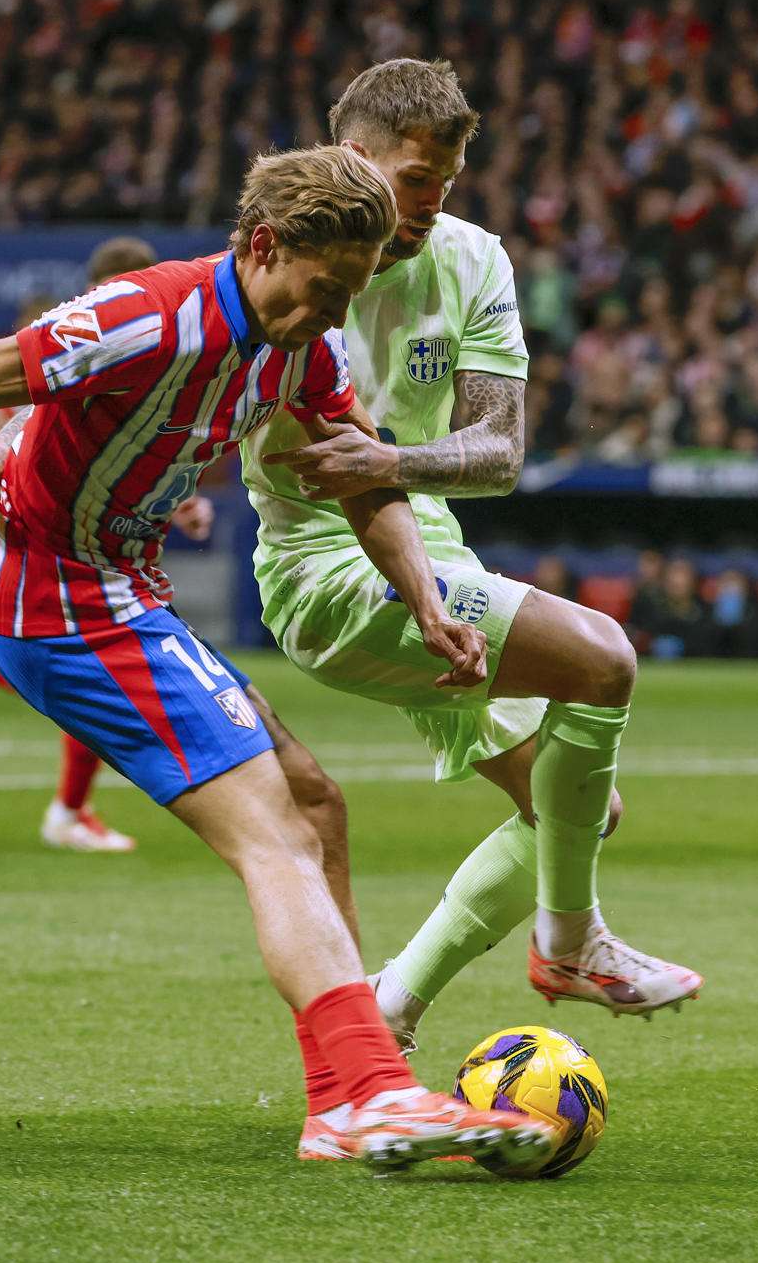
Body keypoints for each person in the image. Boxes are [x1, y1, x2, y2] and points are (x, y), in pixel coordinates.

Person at [0, 144, 553, 1174]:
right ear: (263, 246)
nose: (329, 314)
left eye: (348, 294)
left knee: (314, 804)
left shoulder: (304, 348)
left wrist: (426, 598)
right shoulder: (140, 315)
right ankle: (372, 1092)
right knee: (274, 832)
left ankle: (342, 1093)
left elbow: (361, 480)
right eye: (319, 290)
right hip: (61, 604)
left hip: (126, 592)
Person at [240, 61, 701, 1059]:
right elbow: (129, 346)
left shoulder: (474, 258)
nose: (431, 204)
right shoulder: (278, 261)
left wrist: (395, 456)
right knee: (606, 657)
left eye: (447, 181)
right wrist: (6, 445)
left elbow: (499, 450)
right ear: (351, 159)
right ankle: (571, 943)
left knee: (579, 807)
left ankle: (392, 1004)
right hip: (324, 571)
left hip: (436, 552)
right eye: (415, 180)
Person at [0, 238, 201, 854]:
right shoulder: (81, 347)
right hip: (55, 537)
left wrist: (183, 500)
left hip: (100, 538)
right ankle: (67, 810)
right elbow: (3, 427)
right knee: (97, 667)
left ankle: (62, 796)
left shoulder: (149, 353)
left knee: (88, 669)